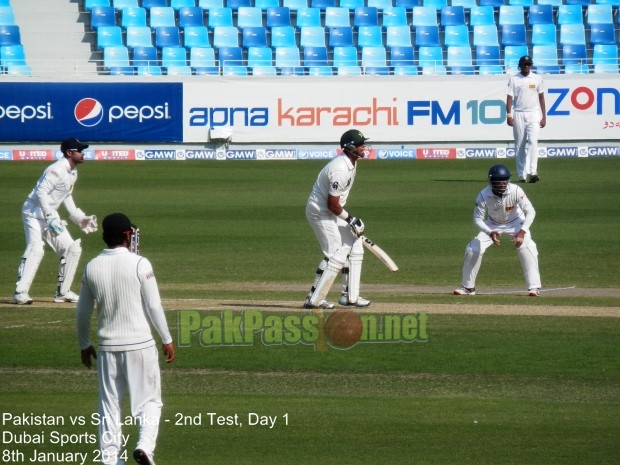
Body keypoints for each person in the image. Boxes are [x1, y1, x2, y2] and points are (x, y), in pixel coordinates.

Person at [77, 213, 175, 465]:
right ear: (126, 235)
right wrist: (166, 338)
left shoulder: (91, 266)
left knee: (109, 407)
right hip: (140, 345)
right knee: (150, 401)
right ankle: (144, 447)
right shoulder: (140, 263)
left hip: (107, 349)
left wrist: (84, 344)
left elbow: (83, 311)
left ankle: (111, 460)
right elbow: (154, 306)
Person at [11, 138, 98, 305]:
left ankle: (62, 292)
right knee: (36, 249)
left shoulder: (73, 172)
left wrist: (79, 218)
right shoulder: (56, 170)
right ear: (69, 153)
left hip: (50, 214)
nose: (83, 153)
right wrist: (50, 216)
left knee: (72, 249)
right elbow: (41, 193)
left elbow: (66, 195)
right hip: (33, 212)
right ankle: (19, 292)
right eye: (79, 150)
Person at [304, 129, 371, 309]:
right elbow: (332, 204)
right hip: (321, 212)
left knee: (355, 242)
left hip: (333, 210)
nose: (363, 146)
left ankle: (350, 296)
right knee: (335, 254)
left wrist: (350, 221)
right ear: (349, 147)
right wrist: (351, 219)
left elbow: (336, 205)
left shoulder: (351, 162)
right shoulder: (340, 169)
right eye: (359, 144)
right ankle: (314, 298)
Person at [453, 164, 541, 297]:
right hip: (493, 224)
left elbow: (531, 211)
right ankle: (468, 287)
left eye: (504, 180)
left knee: (527, 246)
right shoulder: (483, 195)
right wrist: (490, 232)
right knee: (472, 249)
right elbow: (477, 219)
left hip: (516, 222)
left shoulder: (516, 190)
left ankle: (534, 288)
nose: (502, 183)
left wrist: (522, 232)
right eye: (498, 181)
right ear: (491, 181)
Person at [506, 55, 547, 184]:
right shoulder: (514, 79)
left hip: (534, 113)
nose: (526, 66)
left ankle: (533, 172)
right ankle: (521, 175)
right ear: (520, 65)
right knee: (520, 145)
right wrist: (509, 115)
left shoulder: (537, 78)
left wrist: (544, 116)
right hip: (518, 113)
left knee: (533, 142)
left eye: (528, 64)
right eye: (524, 64)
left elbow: (541, 98)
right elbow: (509, 98)